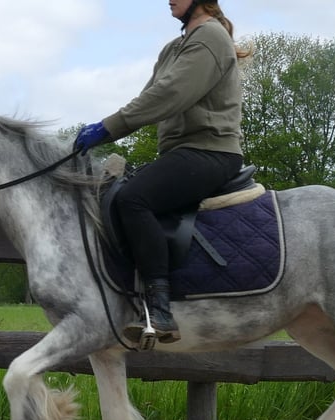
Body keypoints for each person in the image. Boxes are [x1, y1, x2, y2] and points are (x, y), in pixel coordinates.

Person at [75, 0, 251, 344]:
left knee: (133, 198)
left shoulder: (210, 38)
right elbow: (150, 98)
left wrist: (107, 128)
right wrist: (107, 130)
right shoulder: (175, 47)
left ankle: (160, 308)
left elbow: (169, 95)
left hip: (210, 151)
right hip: (181, 153)